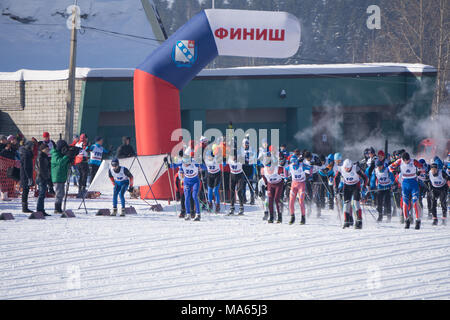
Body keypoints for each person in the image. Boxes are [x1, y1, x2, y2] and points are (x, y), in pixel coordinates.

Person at [389, 152, 423, 229]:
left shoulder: (413, 161)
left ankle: (418, 220)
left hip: (413, 183)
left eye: (408, 160)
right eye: (405, 160)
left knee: (415, 202)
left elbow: (421, 166)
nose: (407, 162)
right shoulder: (399, 161)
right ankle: (406, 220)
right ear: (403, 159)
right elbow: (390, 167)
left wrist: (419, 171)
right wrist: (394, 172)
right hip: (405, 184)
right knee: (405, 203)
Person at [334, 159, 368, 229]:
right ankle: (346, 221)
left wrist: (364, 187)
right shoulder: (341, 169)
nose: (346, 169)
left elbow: (365, 177)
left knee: (356, 203)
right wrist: (336, 187)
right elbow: (336, 178)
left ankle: (359, 221)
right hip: (347, 186)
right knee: (346, 204)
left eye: (348, 168)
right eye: (345, 168)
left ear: (351, 167)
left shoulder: (355, 168)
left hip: (356, 186)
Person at [261, 154, 285, 223]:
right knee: (270, 200)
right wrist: (266, 184)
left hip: (278, 184)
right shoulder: (264, 169)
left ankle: (279, 216)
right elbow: (263, 176)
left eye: (269, 165)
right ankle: (271, 217)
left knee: (277, 199)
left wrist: (284, 179)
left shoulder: (277, 168)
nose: (268, 167)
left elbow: (284, 174)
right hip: (270, 185)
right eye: (266, 165)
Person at [285, 155, 308, 225]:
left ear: (297, 161)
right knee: (291, 201)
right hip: (294, 184)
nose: (294, 163)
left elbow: (310, 168)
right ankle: (292, 217)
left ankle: (303, 217)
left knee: (301, 201)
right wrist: (286, 177)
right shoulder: (291, 166)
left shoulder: (302, 165)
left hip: (301, 184)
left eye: (295, 162)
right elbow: (285, 169)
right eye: (292, 162)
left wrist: (310, 175)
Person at [51, 140, 71, 213]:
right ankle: (57, 208)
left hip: (61, 176)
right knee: (59, 193)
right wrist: (66, 156)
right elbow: (60, 162)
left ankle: (59, 207)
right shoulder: (55, 154)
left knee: (61, 193)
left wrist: (69, 158)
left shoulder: (60, 154)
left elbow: (64, 162)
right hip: (57, 177)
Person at [428, 161, 448, 225]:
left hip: (443, 188)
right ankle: (435, 219)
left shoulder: (441, 172)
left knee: (443, 202)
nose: (433, 171)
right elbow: (426, 180)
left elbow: (448, 178)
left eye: (435, 169)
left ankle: (444, 218)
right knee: (433, 203)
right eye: (432, 169)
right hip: (435, 188)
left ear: (437, 169)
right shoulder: (429, 173)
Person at [71, 133, 89, 198]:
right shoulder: (83, 143)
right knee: (84, 176)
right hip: (83, 161)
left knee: (81, 176)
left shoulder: (77, 143)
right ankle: (82, 190)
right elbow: (85, 148)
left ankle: (80, 190)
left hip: (78, 162)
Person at [36, 144, 51, 216]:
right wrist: (45, 177)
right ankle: (39, 209)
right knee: (41, 194)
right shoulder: (41, 157)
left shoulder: (45, 157)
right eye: (46, 149)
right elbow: (41, 169)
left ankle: (41, 209)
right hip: (41, 177)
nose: (48, 150)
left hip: (44, 177)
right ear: (42, 149)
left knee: (43, 194)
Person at [19, 141, 34, 213]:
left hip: (26, 175)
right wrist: (29, 177)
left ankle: (25, 207)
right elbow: (26, 167)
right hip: (25, 175)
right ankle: (24, 208)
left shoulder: (27, 153)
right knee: (25, 190)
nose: (32, 148)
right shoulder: (26, 154)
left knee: (26, 190)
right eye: (31, 146)